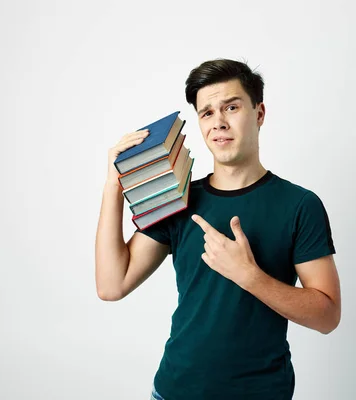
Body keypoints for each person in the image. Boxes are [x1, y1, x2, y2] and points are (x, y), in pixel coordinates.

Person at [95, 58, 341, 400]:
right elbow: (111, 285)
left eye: (231, 107)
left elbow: (327, 316)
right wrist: (113, 185)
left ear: (259, 113)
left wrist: (249, 275)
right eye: (206, 112)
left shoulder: (299, 205)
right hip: (174, 390)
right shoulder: (178, 199)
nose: (218, 122)